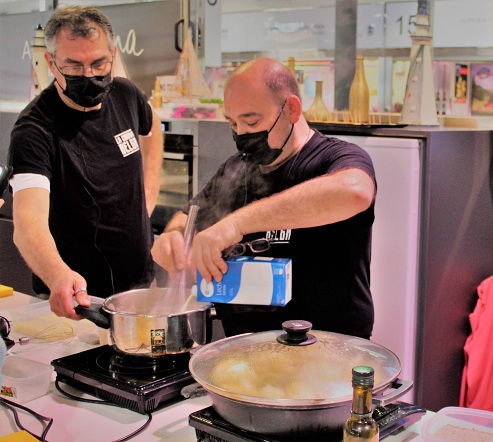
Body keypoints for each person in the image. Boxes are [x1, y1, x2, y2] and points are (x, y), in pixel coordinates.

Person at [152, 58, 376, 339]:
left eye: (251, 120)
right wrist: (172, 237)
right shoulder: (236, 168)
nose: (242, 134)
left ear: (292, 109)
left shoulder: (335, 158)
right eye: (232, 123)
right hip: (245, 352)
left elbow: (354, 191)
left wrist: (235, 225)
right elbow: (189, 216)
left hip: (327, 352)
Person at [8, 6, 163, 320]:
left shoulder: (126, 95)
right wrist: (57, 275)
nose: (89, 75)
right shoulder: (34, 130)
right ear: (52, 63)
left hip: (141, 287)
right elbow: (28, 223)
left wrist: (149, 189)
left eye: (98, 63)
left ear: (112, 54)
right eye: (74, 66)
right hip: (77, 300)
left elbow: (153, 127)